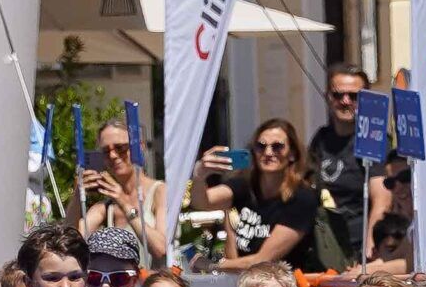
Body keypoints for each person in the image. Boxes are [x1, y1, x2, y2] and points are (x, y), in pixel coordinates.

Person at [196, 119, 322, 272]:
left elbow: (263, 260)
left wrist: (212, 265)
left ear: (292, 154)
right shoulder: (244, 185)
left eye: (277, 147)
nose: (268, 153)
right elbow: (202, 203)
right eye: (261, 146)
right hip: (244, 282)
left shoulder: (302, 198)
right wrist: (199, 175)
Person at [304, 67, 374, 269]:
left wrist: (370, 245)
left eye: (354, 96)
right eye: (338, 95)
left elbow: (381, 199)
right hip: (322, 244)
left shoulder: (372, 142)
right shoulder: (321, 138)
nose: (345, 101)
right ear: (328, 97)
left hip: (357, 248)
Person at [79, 116, 171, 260]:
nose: (113, 155)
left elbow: (161, 249)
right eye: (106, 151)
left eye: (120, 148)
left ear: (139, 147)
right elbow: (72, 242)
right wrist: (77, 196)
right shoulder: (107, 206)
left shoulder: (160, 191)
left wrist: (124, 203)